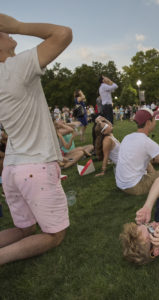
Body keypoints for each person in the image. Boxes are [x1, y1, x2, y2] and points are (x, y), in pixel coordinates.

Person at [0, 13, 72, 265]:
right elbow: (63, 34)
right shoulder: (15, 67)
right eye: (5, 33)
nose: (11, 36)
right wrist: (19, 26)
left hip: (11, 168)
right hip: (35, 166)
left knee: (23, 229)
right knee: (54, 234)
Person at [115, 108, 159, 196]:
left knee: (147, 162)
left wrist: (154, 174)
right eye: (154, 119)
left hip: (121, 184)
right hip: (134, 187)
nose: (156, 122)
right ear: (148, 123)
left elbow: (150, 160)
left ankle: (157, 181)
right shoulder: (146, 141)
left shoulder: (127, 137)